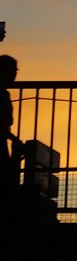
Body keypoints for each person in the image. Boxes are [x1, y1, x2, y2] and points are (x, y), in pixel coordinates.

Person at [0, 55, 22, 219]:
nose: (15, 76)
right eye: (13, 71)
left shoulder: (4, 94)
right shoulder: (2, 95)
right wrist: (13, 138)